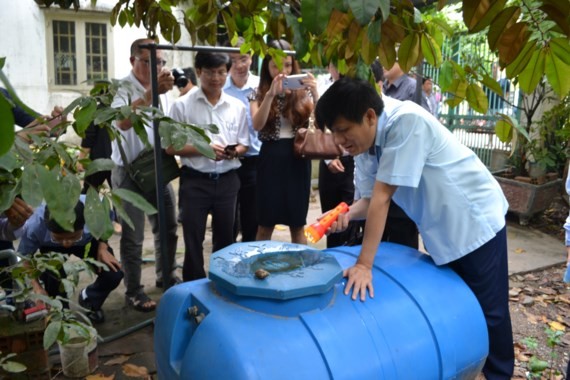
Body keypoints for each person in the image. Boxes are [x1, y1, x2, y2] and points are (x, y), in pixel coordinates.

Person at [315, 78, 514, 379]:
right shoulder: (367, 144)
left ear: (369, 116)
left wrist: (364, 265)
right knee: (459, 305)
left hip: (474, 222)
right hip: (443, 229)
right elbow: (368, 201)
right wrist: (342, 213)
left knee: (490, 313)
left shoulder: (406, 122)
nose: (340, 142)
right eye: (335, 133)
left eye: (344, 131)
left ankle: (499, 374)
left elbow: (383, 197)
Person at [167, 51, 249, 281]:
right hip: (195, 180)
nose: (216, 78)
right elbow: (171, 146)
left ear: (227, 72)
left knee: (226, 238)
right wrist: (205, 148)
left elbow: (245, 143)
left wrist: (234, 151)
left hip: (228, 180)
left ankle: (222, 282)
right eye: (211, 72)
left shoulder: (237, 106)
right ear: (199, 71)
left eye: (221, 72)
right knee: (193, 238)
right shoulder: (182, 106)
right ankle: (193, 286)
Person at [110, 38, 179, 312]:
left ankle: (167, 276)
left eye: (160, 62)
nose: (156, 67)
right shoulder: (122, 88)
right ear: (132, 61)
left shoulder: (160, 88)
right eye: (149, 62)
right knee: (133, 235)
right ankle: (134, 291)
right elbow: (122, 121)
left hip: (156, 167)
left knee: (168, 226)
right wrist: (151, 92)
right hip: (129, 172)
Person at [250, 39, 318, 244]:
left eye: (287, 65)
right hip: (270, 158)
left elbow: (322, 122)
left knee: (297, 224)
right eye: (276, 66)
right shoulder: (258, 91)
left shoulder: (303, 92)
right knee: (265, 224)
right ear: (267, 67)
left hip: (297, 157)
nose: (283, 72)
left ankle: (301, 269)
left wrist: (315, 93)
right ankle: (259, 266)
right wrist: (270, 95)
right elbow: (257, 124)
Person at [17, 199, 123, 323]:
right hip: (51, 248)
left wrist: (103, 245)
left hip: (86, 242)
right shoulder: (34, 226)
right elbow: (24, 258)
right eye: (60, 238)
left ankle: (89, 299)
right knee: (54, 279)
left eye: (73, 237)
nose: (67, 244)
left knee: (113, 273)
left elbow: (107, 223)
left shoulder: (95, 210)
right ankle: (62, 314)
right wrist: (37, 288)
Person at [223, 37, 261, 242]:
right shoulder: (221, 87)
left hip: (255, 160)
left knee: (252, 219)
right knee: (228, 220)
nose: (238, 65)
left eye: (243, 59)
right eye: (233, 60)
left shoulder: (260, 86)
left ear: (251, 58)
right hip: (228, 159)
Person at [76, 81, 121, 234]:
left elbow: (89, 137)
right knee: (117, 192)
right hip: (115, 159)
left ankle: (82, 217)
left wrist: (81, 159)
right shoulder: (116, 110)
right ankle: (119, 222)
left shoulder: (93, 111)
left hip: (99, 161)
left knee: (89, 190)